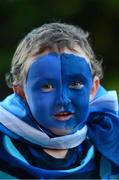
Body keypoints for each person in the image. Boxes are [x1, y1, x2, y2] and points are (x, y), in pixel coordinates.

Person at [0, 22, 119, 179]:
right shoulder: (4, 151)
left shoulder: (106, 144)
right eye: (47, 86)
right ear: (21, 92)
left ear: (93, 88)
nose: (62, 100)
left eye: (75, 84)